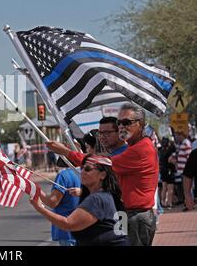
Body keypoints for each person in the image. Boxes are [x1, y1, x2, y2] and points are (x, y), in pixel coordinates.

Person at [47, 103, 158, 246]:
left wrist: (65, 151)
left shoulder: (141, 149)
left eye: (126, 122)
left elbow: (101, 163)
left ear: (141, 124)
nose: (122, 127)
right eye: (119, 123)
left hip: (136, 216)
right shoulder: (135, 146)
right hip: (129, 214)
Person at [30, 154, 129, 246]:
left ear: (103, 175)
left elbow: (68, 224)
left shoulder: (97, 199)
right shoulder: (109, 195)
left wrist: (40, 208)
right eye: (82, 168)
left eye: (88, 169)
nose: (82, 172)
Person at [39, 157, 80, 246]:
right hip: (84, 227)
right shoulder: (86, 172)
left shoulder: (63, 175)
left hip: (67, 229)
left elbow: (53, 202)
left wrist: (37, 192)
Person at [173, 131, 192, 206]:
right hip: (180, 169)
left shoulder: (186, 143)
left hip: (184, 169)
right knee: (182, 187)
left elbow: (189, 156)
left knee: (186, 188)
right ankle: (186, 203)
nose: (176, 138)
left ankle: (189, 203)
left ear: (181, 135)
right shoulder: (181, 143)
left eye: (177, 136)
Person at [159, 138, 176, 209]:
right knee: (170, 189)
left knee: (164, 187)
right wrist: (175, 163)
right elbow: (171, 161)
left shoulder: (161, 151)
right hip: (169, 171)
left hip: (163, 171)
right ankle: (169, 203)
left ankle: (163, 202)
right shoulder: (169, 152)